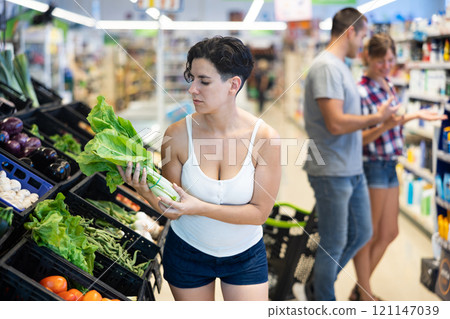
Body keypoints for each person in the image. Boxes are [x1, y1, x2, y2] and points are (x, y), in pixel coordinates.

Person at [118, 36, 281, 301]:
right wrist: (144, 190)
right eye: (191, 78)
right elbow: (173, 209)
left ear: (233, 85)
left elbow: (259, 213)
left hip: (245, 256)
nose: (193, 89)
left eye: (204, 81)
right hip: (187, 253)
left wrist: (200, 208)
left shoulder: (264, 139)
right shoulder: (178, 134)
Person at [303, 8, 400, 301]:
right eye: (363, 35)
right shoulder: (327, 67)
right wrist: (378, 118)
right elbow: (335, 122)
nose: (364, 42)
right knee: (334, 242)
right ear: (350, 32)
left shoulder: (342, 66)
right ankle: (323, 300)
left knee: (361, 234)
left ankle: (320, 284)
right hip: (332, 169)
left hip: (351, 167)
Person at [350, 33, 447, 301]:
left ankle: (360, 289)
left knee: (390, 232)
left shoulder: (388, 83)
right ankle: (364, 293)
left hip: (391, 164)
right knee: (368, 236)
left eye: (390, 60)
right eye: (381, 61)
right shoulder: (361, 90)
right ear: (368, 57)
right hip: (373, 165)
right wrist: (386, 125)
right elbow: (358, 138)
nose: (386, 65)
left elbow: (393, 120)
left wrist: (415, 114)